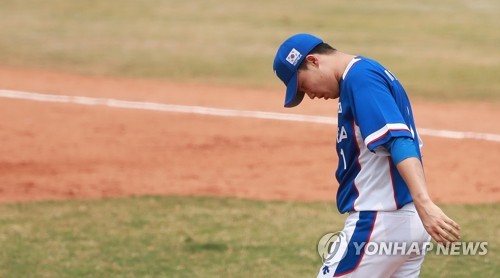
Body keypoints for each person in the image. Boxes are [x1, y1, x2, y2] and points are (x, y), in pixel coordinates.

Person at [273, 33, 460, 277]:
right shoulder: (365, 75)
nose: (309, 95)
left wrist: (425, 203)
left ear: (314, 61)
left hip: (380, 222)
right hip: (404, 220)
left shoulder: (361, 78)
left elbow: (398, 140)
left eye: (303, 85)